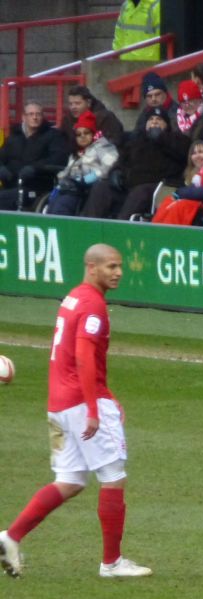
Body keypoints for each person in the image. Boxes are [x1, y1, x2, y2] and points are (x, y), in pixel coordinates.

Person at [0, 245, 151, 580]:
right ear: (91, 266)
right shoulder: (93, 305)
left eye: (120, 266)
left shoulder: (72, 299)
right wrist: (96, 407)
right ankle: (112, 563)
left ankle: (10, 537)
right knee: (113, 477)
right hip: (83, 403)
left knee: (70, 481)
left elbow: (75, 356)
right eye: (111, 266)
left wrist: (107, 394)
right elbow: (83, 355)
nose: (118, 272)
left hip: (59, 404)